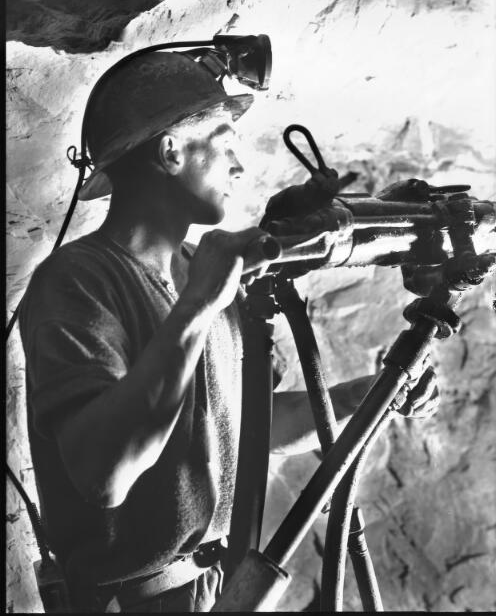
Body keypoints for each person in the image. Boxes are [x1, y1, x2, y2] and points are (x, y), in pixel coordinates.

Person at [18, 51, 439, 612]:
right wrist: (197, 305)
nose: (240, 164)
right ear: (170, 151)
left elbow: (247, 427)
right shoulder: (78, 282)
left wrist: (358, 398)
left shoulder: (207, 275)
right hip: (130, 602)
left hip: (219, 589)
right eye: (225, 138)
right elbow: (105, 474)